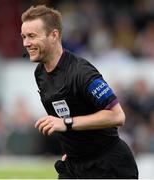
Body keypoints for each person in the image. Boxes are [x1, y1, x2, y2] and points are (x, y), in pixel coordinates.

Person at [21, 4, 138, 179]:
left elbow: (117, 116)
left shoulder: (81, 72)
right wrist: (73, 148)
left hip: (109, 166)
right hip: (75, 165)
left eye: (31, 36)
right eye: (23, 37)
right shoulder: (40, 73)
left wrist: (66, 123)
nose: (26, 43)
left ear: (54, 35)